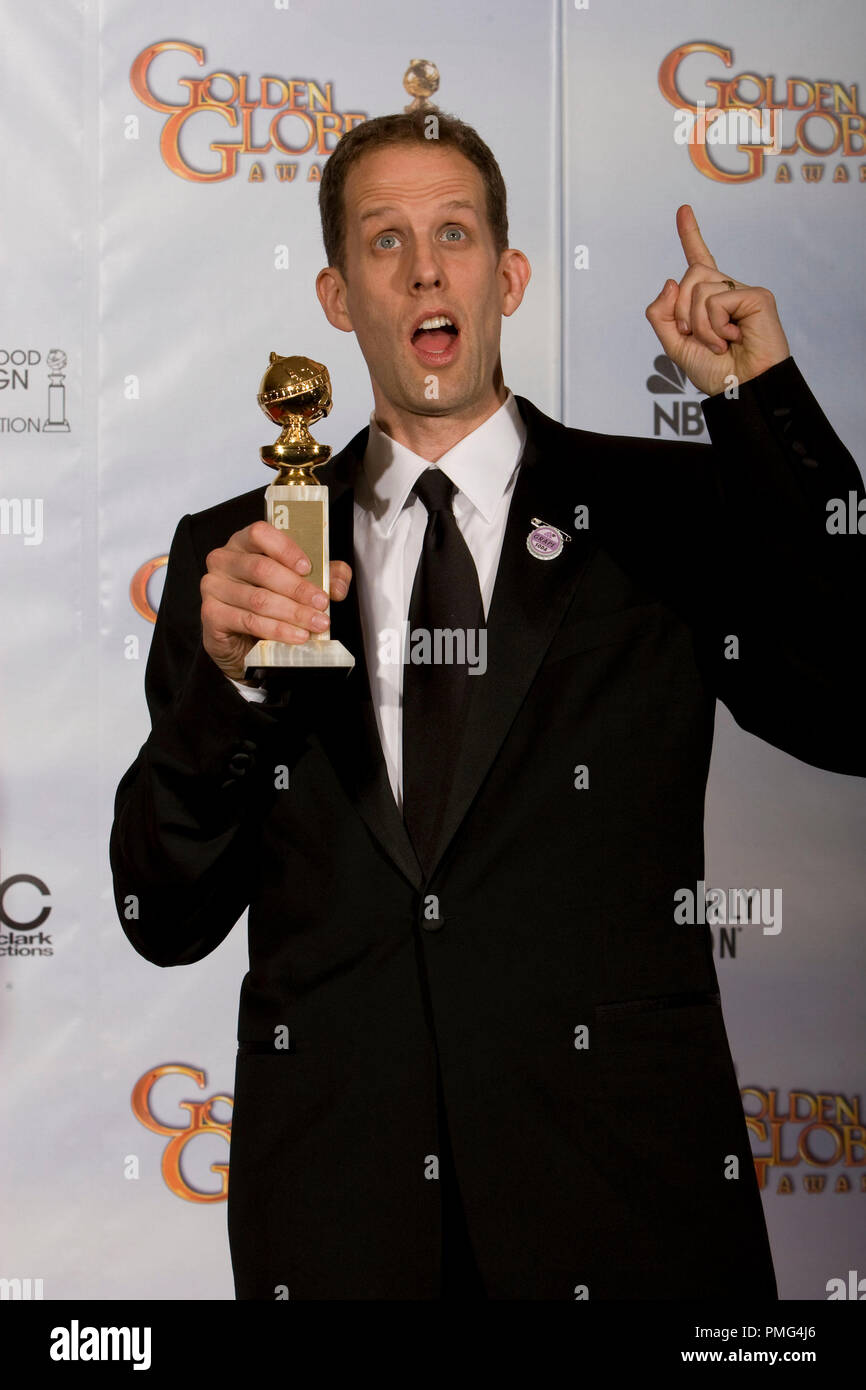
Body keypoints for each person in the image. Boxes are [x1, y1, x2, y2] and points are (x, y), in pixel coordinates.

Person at [110, 109, 864, 1300]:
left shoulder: (659, 508)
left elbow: (852, 699)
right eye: (385, 240)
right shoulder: (241, 554)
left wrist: (759, 398)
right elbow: (162, 911)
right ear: (334, 291)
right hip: (339, 1218)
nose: (424, 267)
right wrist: (231, 682)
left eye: (454, 233)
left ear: (506, 276)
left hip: (624, 1206)